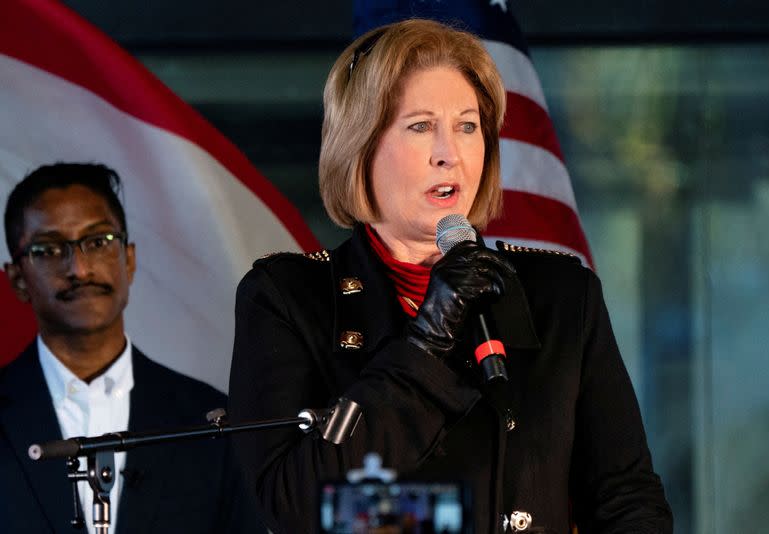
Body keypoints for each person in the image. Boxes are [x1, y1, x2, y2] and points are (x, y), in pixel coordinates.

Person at [229, 19, 672, 534]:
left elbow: (626, 500)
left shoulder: (561, 294)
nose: (451, 153)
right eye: (420, 126)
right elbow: (291, 506)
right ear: (360, 144)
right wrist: (427, 340)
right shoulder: (288, 298)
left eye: (467, 126)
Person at [0, 163, 265, 533]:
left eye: (98, 242)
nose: (79, 268)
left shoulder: (210, 423)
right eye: (49, 248)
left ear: (129, 259)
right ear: (17, 279)